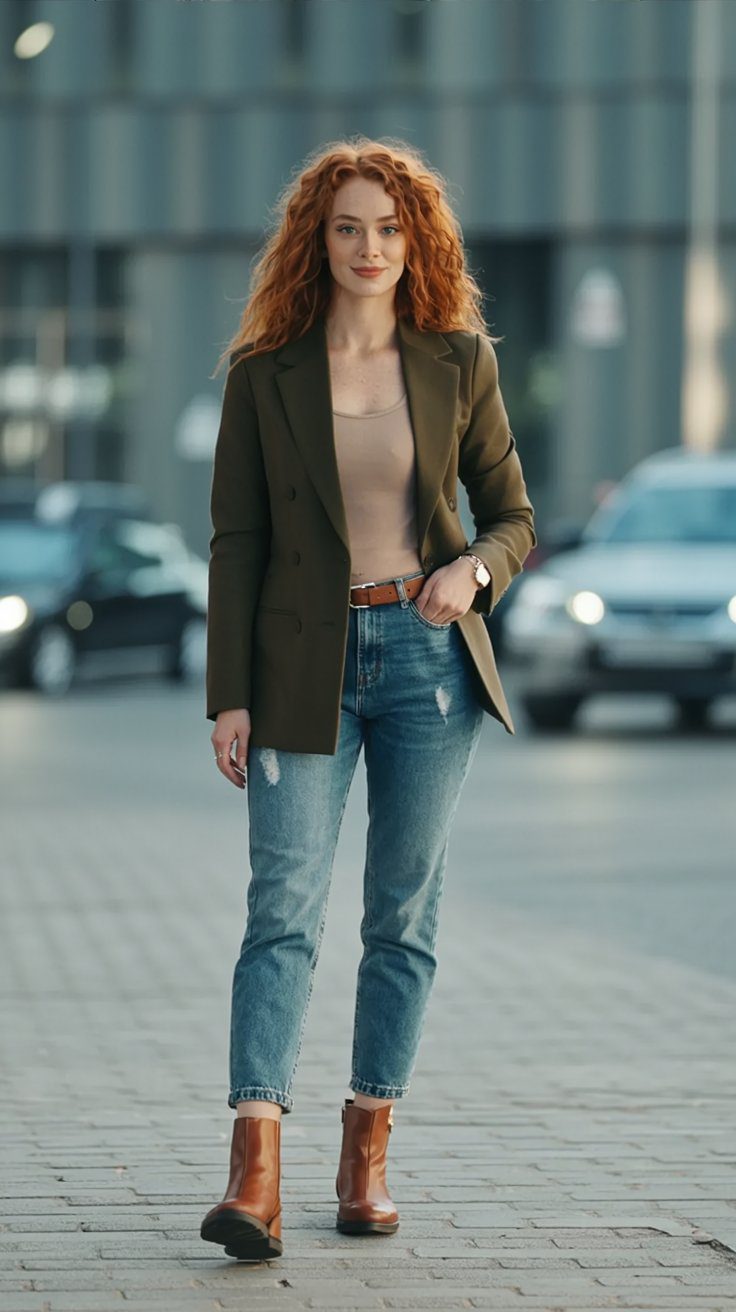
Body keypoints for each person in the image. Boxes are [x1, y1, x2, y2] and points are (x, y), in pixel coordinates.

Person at [200, 135, 536, 1262]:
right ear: (316, 237)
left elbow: (512, 514)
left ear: (416, 241)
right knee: (281, 909)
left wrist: (472, 570)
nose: (369, 247)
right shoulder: (265, 372)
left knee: (402, 914)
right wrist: (228, 695)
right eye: (347, 226)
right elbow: (236, 541)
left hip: (427, 661)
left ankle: (366, 1149)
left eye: (388, 228)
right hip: (301, 664)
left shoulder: (454, 358)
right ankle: (254, 1173)